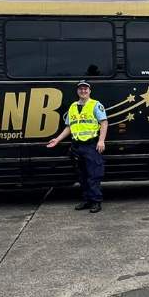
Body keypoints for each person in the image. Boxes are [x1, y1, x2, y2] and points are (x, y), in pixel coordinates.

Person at [47, 79, 108, 212]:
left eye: (86, 88)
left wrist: (101, 140)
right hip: (77, 146)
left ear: (89, 91)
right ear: (77, 91)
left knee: (93, 175)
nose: (83, 90)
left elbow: (104, 123)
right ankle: (86, 200)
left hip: (91, 145)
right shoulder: (73, 106)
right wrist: (57, 139)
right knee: (82, 176)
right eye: (81, 88)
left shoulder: (95, 105)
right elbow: (69, 127)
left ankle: (96, 202)